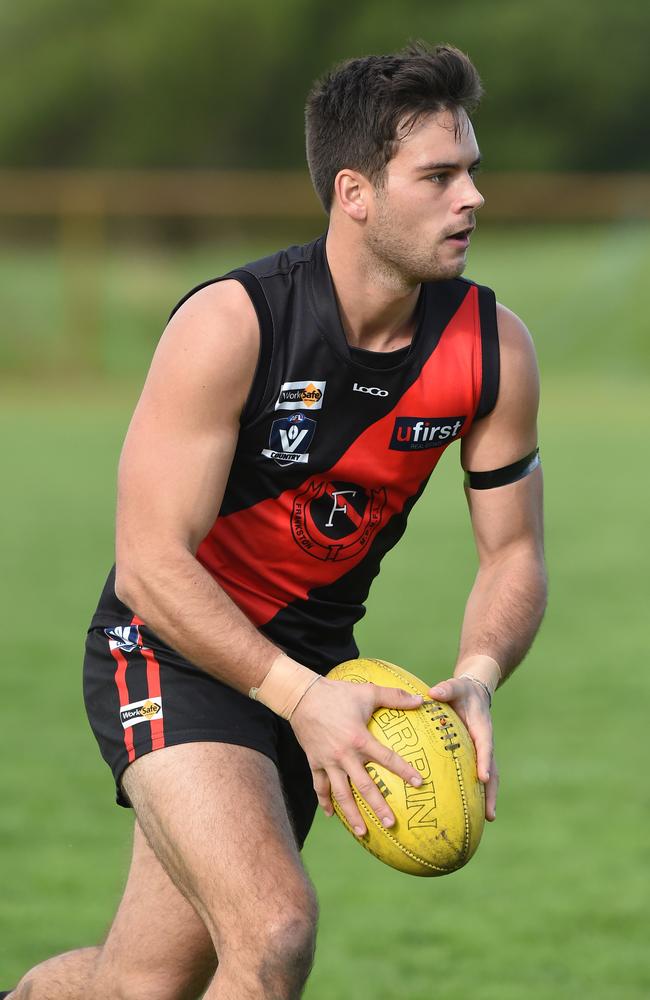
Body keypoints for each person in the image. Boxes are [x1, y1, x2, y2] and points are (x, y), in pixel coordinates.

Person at [9, 41, 547, 1000]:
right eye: (439, 175)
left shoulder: (492, 348)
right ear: (355, 191)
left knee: (141, 985)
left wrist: (478, 673)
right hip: (169, 646)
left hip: (314, 660)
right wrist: (300, 700)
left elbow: (513, 554)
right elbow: (148, 567)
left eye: (472, 170)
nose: (472, 197)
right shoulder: (234, 324)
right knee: (275, 930)